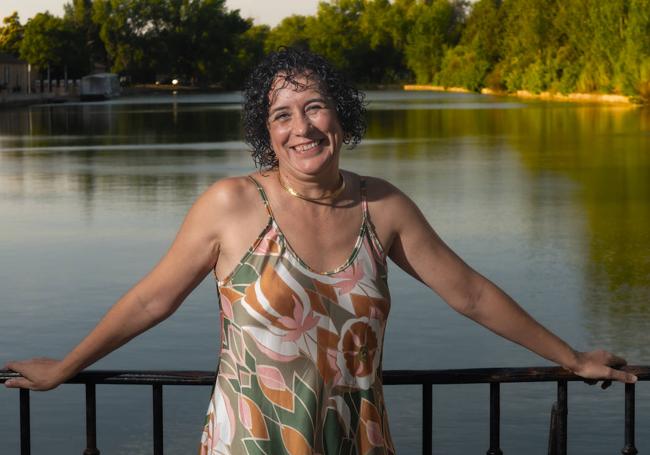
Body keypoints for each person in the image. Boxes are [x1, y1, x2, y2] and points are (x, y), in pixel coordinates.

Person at [4, 48, 637, 454]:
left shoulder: (381, 208)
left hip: (358, 443)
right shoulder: (232, 205)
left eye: (314, 108)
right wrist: (66, 367)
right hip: (251, 445)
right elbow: (151, 300)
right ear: (265, 132)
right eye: (281, 115)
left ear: (342, 118)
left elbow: (469, 293)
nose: (301, 127)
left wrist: (571, 357)